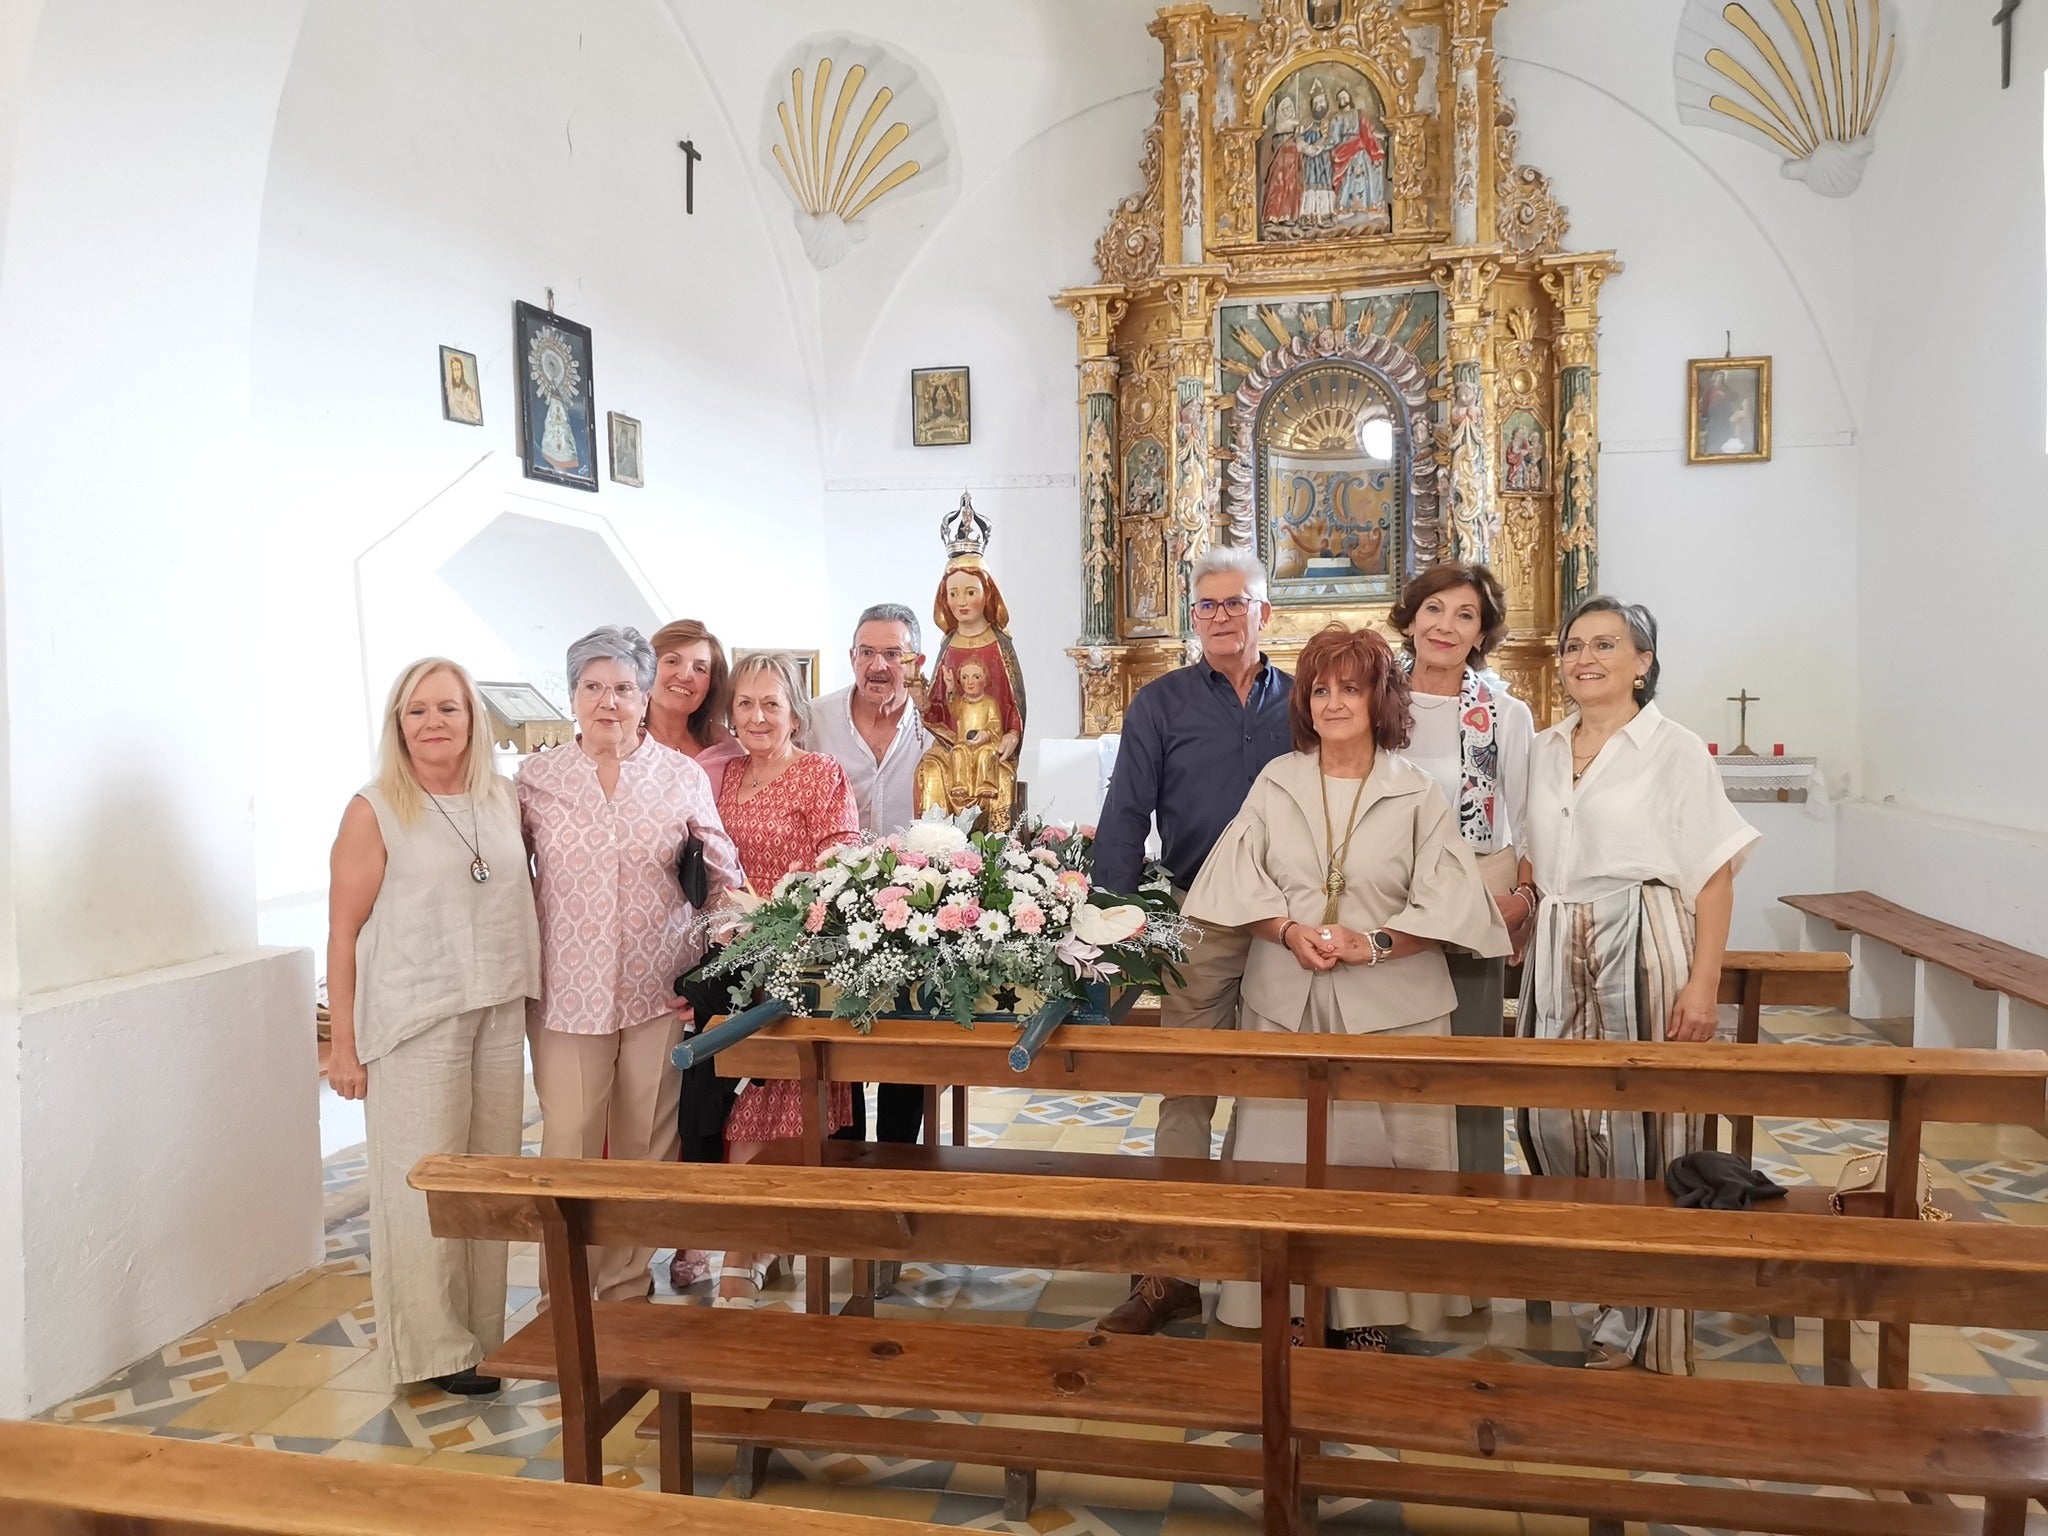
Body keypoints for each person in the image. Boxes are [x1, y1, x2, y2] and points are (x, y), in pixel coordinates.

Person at [1186, 624, 1509, 1350]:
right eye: (1320, 689)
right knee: (1280, 1162)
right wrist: (1286, 930)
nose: (1333, 703)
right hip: (1285, 996)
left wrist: (1377, 942)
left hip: (1393, 1005)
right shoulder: (1277, 781)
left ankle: (1374, 1315)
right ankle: (1291, 1308)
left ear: (1379, 698)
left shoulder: (1418, 792)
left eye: (1351, 688)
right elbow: (1238, 879)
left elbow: (1456, 905)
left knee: (1380, 1168)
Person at [1516, 597, 1759, 1375]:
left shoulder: (1673, 748)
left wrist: (1703, 985)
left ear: (1642, 663)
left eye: (1606, 645)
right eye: (1575, 645)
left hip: (1644, 929)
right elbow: (1533, 851)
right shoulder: (1547, 748)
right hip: (1559, 937)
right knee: (1549, 1121)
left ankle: (1647, 1321)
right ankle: (1601, 1281)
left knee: (1647, 1130)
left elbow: (1715, 875)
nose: (1586, 658)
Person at [1092, 545, 1295, 1335]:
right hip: (1199, 914)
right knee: (1187, 1087)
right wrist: (1109, 924)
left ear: (1263, 613)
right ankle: (1170, 1268)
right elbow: (1124, 815)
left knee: (1281, 1094)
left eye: (1233, 603)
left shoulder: (1306, 701)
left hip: (1287, 922)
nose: (1217, 617)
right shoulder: (1161, 702)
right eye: (1204, 605)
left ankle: (1266, 1271)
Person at [326, 657, 540, 1395]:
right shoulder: (376, 807)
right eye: (416, 711)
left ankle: (480, 1337)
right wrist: (342, 1048)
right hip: (415, 1019)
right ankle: (431, 1350)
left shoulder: (502, 797)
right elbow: (343, 933)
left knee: (484, 1186)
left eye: (447, 708)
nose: (433, 723)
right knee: (421, 1192)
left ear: (474, 720)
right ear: (397, 724)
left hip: (495, 1010)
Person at [518, 625, 742, 1303]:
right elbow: (502, 878)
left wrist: (715, 975)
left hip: (656, 992)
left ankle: (621, 1288)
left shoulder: (680, 778)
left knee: (645, 1143)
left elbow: (725, 878)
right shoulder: (536, 779)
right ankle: (566, 1290)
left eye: (621, 687)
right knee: (571, 1142)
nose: (607, 701)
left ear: (645, 696)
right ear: (572, 696)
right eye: (592, 687)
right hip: (565, 994)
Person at [714, 650, 862, 1306]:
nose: (757, 716)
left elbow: (843, 855)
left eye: (771, 703)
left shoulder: (820, 773)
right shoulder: (720, 779)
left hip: (800, 963)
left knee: (780, 1112)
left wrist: (792, 911)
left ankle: (745, 1249)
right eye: (746, 704)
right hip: (728, 959)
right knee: (732, 1110)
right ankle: (759, 1239)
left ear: (795, 713)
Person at [1388, 563, 1537, 1176]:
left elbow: (1529, 821)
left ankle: (1475, 1209)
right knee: (1395, 1065)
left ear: (1481, 635)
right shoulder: (1371, 699)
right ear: (1412, 618)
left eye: (1465, 615)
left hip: (1475, 900)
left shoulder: (1505, 714)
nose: (1445, 626)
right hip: (1387, 901)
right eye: (1434, 609)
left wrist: (1525, 900)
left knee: (1470, 1067)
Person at [811, 603, 934, 1145]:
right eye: (868, 652)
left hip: (922, 900)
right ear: (851, 657)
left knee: (907, 1043)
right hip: (835, 904)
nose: (879, 665)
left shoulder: (942, 724)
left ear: (918, 660)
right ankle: (848, 1160)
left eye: (893, 653)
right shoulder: (815, 720)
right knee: (842, 1042)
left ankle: (900, 1162)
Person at [644, 618, 744, 781]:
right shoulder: (621, 742)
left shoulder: (725, 749)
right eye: (672, 661)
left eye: (699, 669)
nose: (684, 676)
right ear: (648, 669)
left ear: (711, 685)